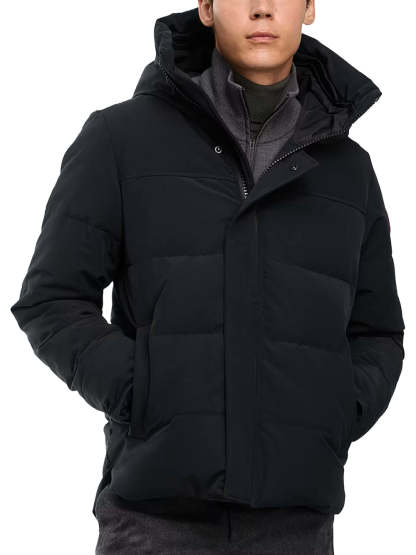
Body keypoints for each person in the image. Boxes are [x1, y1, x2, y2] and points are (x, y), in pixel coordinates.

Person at [10, 1, 405, 553]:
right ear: (206, 6)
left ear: (310, 7)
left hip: (296, 525)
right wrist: (143, 393)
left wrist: (332, 411)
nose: (262, 7)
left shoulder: (349, 172)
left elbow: (377, 332)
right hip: (154, 522)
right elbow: (52, 300)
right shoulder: (119, 139)